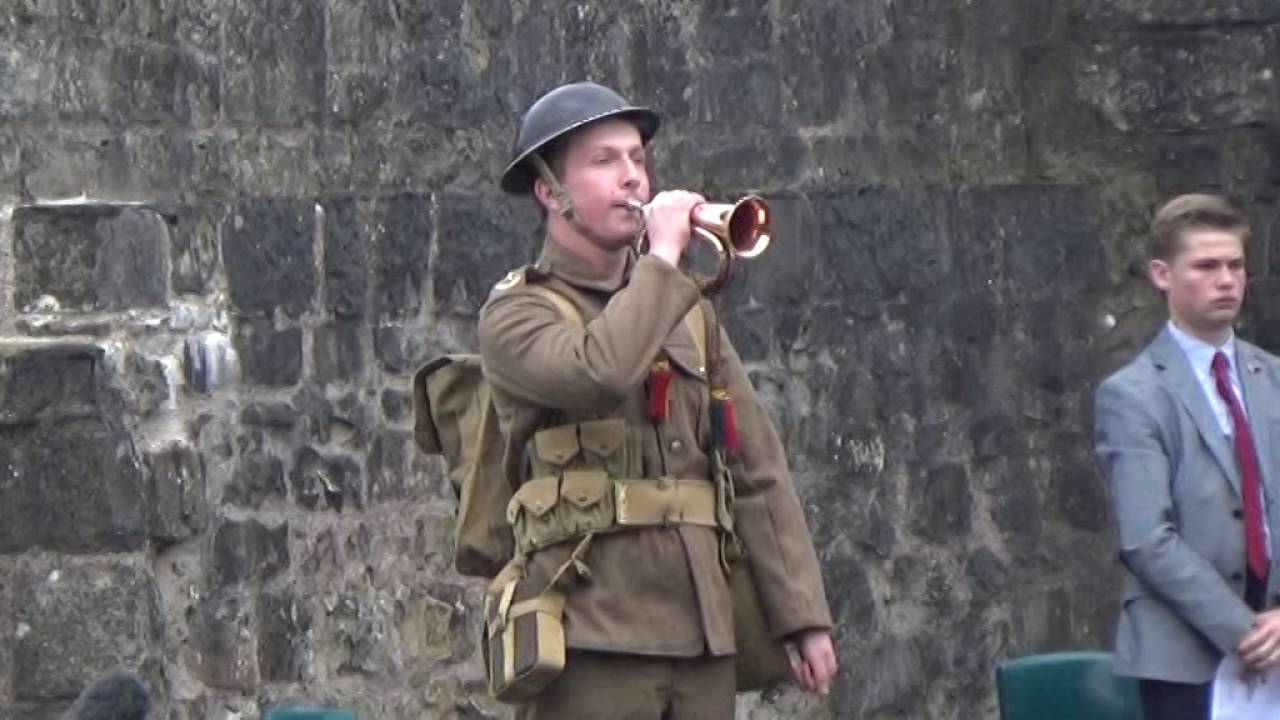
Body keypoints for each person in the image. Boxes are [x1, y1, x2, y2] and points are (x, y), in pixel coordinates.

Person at [477, 81, 836, 718]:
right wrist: (664, 260)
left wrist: (801, 615)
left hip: (701, 634)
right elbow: (601, 371)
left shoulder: (685, 311)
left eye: (637, 158)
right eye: (603, 161)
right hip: (591, 633)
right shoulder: (518, 312)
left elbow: (755, 470)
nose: (632, 178)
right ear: (547, 191)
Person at [1095, 193, 1280, 719]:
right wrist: (1242, 629)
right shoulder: (1132, 395)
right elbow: (1147, 538)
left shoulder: (1273, 377)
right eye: (1206, 266)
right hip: (1184, 656)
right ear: (1162, 274)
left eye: (1236, 265)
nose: (1227, 279)